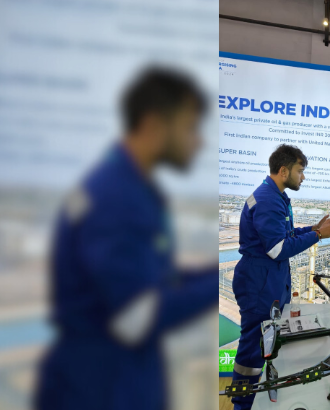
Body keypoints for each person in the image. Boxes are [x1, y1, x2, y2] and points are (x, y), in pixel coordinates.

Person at [36, 68, 217, 410]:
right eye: (190, 127)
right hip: (100, 387)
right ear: (153, 125)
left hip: (116, 377)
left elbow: (157, 279)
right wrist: (216, 287)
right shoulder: (115, 196)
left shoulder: (130, 187)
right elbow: (136, 319)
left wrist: (214, 275)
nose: (199, 141)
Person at [231, 144, 330, 409]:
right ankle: (242, 404)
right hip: (259, 283)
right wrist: (319, 235)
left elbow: (285, 235)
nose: (302, 177)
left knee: (264, 341)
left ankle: (255, 398)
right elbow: (277, 249)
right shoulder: (268, 200)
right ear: (283, 171)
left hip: (265, 280)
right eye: (300, 171)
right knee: (253, 348)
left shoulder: (275, 196)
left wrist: (313, 228)